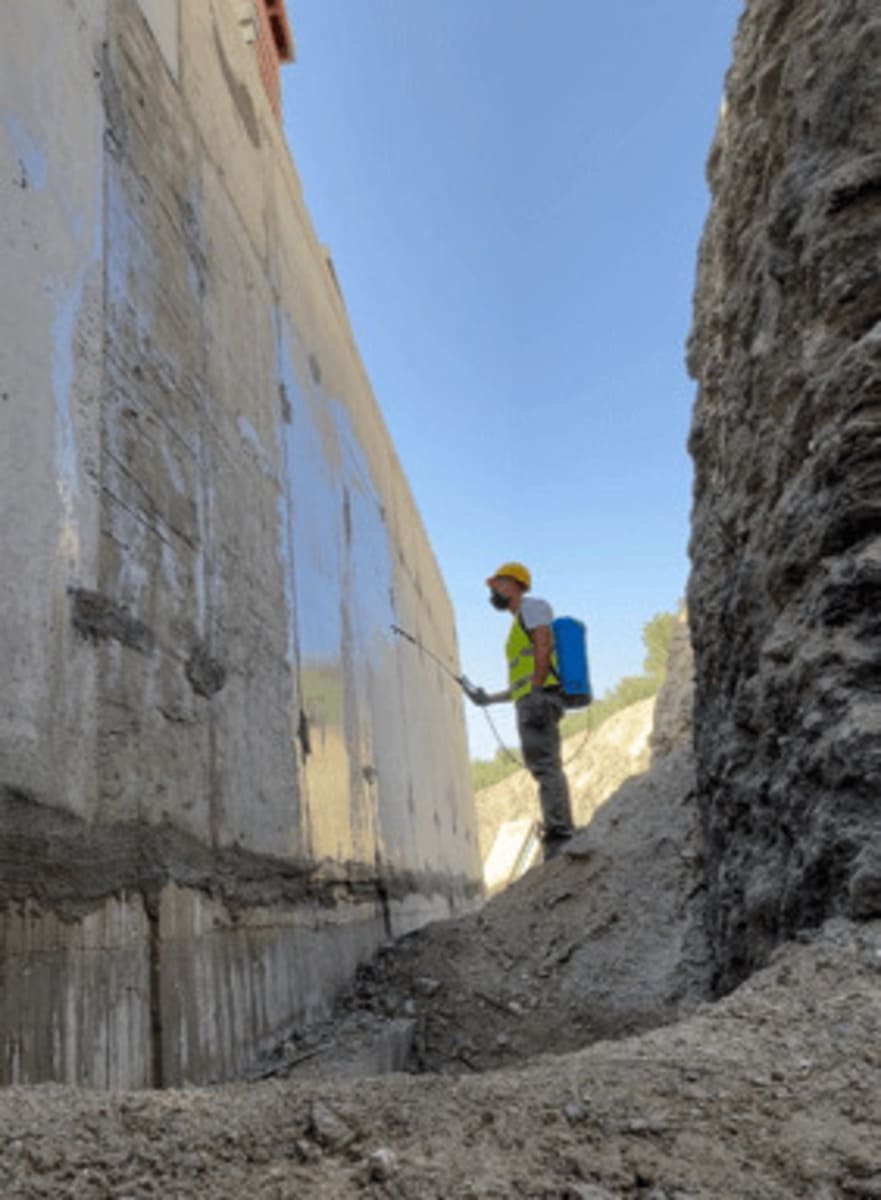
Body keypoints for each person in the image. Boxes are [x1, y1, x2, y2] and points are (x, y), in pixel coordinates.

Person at [466, 562, 574, 860]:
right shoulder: (517, 624)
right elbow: (521, 681)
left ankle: (560, 835)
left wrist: (537, 690)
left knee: (546, 766)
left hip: (538, 699)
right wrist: (489, 699)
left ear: (513, 584)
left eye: (497, 585)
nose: (493, 592)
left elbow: (543, 644)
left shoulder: (532, 607)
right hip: (531, 698)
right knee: (543, 766)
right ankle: (559, 831)